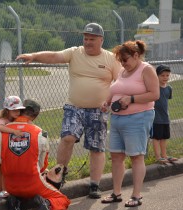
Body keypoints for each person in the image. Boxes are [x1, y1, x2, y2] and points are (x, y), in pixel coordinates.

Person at [15, 23, 121, 199]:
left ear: (101, 40)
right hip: (74, 107)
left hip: (98, 110)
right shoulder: (75, 52)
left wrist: (113, 102)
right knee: (67, 137)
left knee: (97, 147)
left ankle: (94, 185)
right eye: (85, 38)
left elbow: (120, 83)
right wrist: (34, 56)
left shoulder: (111, 59)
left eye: (92, 39)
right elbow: (54, 56)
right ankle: (59, 175)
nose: (87, 42)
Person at [0, 99, 71, 210]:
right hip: (33, 184)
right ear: (35, 116)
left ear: (19, 110)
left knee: (20, 188)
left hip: (9, 186)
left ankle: (16, 200)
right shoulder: (41, 134)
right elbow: (42, 166)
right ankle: (48, 204)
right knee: (62, 199)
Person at [100, 40, 159, 207]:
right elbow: (116, 89)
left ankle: (136, 195)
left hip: (138, 118)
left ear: (136, 55)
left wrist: (132, 99)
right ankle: (116, 193)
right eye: (121, 61)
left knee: (136, 156)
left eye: (125, 60)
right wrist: (107, 102)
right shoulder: (123, 71)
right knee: (117, 156)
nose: (123, 63)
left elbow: (155, 95)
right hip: (118, 119)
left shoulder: (146, 69)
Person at [151, 65, 178, 164]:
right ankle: (158, 157)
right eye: (162, 75)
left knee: (164, 138)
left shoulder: (169, 88)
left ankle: (164, 155)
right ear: (157, 76)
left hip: (165, 118)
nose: (165, 78)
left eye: (167, 75)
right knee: (156, 138)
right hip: (155, 118)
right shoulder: (154, 88)